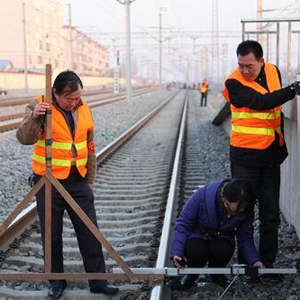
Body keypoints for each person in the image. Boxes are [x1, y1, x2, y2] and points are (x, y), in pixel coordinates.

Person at [16, 71, 119, 299]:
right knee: (51, 234)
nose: (73, 103)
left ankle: (98, 281)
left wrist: (90, 179)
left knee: (89, 230)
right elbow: (24, 138)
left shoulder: (84, 108)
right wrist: (34, 117)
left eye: (77, 98)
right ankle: (56, 282)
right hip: (47, 181)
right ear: (55, 93)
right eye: (68, 99)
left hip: (77, 180)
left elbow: (89, 146)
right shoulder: (39, 105)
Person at [222, 40, 300, 269]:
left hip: (270, 157)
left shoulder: (273, 71)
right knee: (242, 213)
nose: (245, 71)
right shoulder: (233, 83)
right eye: (241, 65)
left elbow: (276, 110)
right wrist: (294, 90)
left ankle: (267, 263)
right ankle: (247, 264)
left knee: (270, 215)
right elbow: (262, 102)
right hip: (244, 158)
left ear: (262, 62)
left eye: (250, 66)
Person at [170, 179, 264, 290]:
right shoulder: (202, 196)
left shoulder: (245, 210)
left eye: (245, 206)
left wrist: (255, 260)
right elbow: (182, 226)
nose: (242, 210)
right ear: (225, 199)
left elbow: (245, 238)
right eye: (239, 207)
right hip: (197, 235)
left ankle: (217, 275)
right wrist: (177, 252)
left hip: (223, 237)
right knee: (197, 251)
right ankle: (192, 274)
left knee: (223, 248)